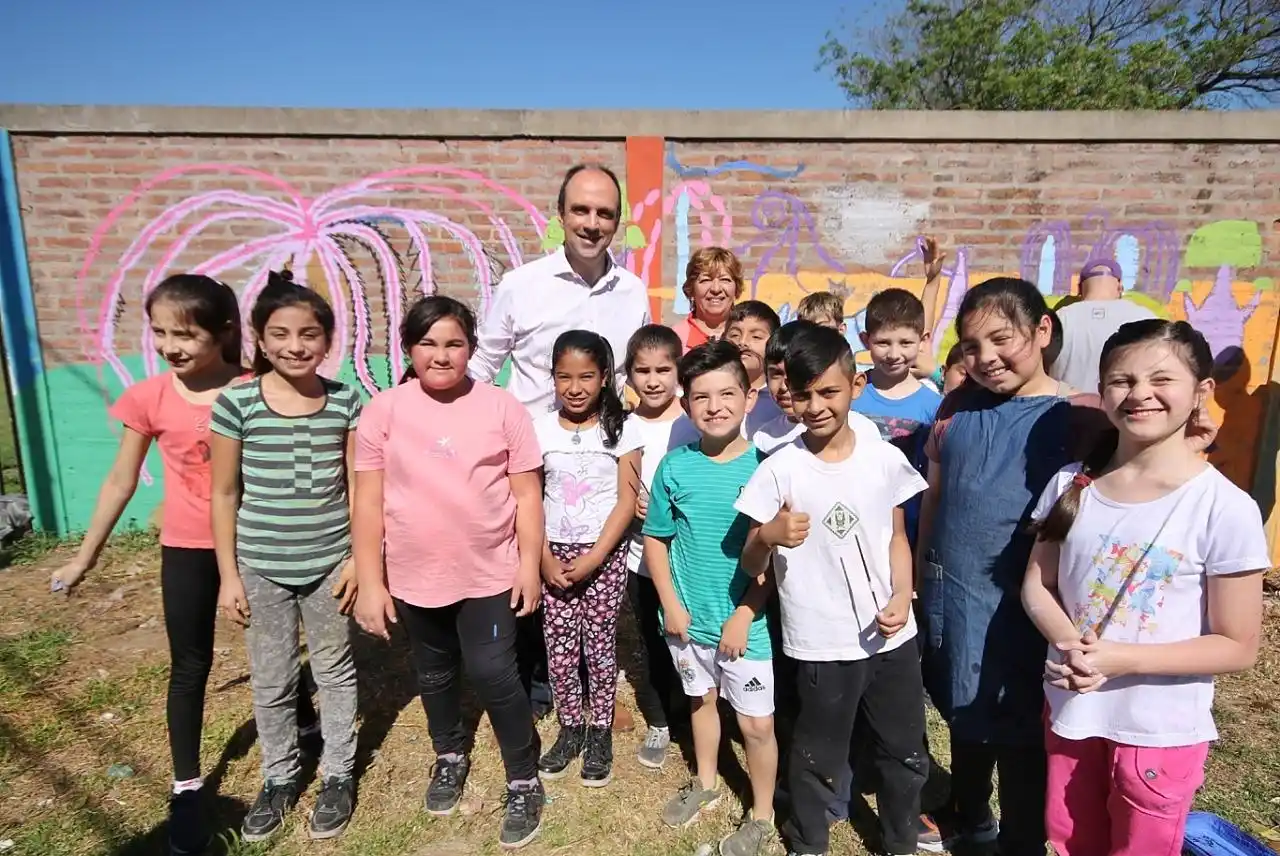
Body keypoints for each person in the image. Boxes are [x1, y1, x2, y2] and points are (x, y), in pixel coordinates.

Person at [47, 275, 310, 855]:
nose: (172, 345)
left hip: (259, 543)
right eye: (161, 332)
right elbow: (120, 480)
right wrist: (86, 554)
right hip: (188, 548)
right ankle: (188, 786)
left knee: (275, 650)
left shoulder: (258, 388)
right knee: (189, 664)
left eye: (185, 333)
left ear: (221, 332)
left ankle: (298, 735)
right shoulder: (149, 398)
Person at [1022, 319, 1267, 856]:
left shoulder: (1224, 508)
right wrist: (1070, 644)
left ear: (1201, 391)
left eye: (1161, 379)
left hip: (1159, 732)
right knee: (1068, 840)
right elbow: (1038, 584)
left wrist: (1120, 659)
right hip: (1070, 711)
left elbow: (1237, 645)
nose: (1139, 394)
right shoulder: (1071, 484)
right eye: (1121, 380)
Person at [914, 277, 1104, 855]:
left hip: (1035, 604)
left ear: (1042, 330)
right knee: (965, 706)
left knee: (1023, 725)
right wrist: (925, 574)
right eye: (971, 346)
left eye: (1002, 339)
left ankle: (1023, 838)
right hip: (957, 591)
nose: (986, 358)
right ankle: (968, 812)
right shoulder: (956, 408)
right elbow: (935, 497)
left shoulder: (1081, 416)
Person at [352, 296, 546, 851]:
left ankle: (523, 776)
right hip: (415, 575)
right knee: (433, 672)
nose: (442, 355)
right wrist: (371, 579)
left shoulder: (502, 408)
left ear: (472, 348)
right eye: (428, 343)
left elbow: (527, 495)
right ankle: (449, 752)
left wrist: (527, 565)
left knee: (493, 673)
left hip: (489, 572)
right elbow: (367, 502)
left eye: (454, 343)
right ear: (409, 349)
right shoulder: (384, 411)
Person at [736, 324, 929, 856]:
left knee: (904, 751)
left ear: (856, 385)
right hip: (822, 641)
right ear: (789, 396)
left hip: (892, 638)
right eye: (804, 394)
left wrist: (900, 595)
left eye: (829, 391)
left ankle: (900, 841)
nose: (816, 405)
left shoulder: (884, 457)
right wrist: (769, 537)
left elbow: (896, 536)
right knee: (818, 755)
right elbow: (751, 560)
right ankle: (808, 842)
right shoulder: (781, 470)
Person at [468, 163, 650, 721]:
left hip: (595, 462)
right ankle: (527, 680)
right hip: (527, 458)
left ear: (617, 222)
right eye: (581, 210)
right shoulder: (522, 285)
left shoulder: (632, 290)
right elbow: (482, 364)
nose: (592, 223)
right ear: (561, 216)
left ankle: (573, 681)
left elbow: (631, 378)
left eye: (604, 214)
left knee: (590, 568)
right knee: (526, 564)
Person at [209, 272, 360, 842]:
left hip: (330, 562)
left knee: (336, 670)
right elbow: (224, 493)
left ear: (327, 340)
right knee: (272, 678)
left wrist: (358, 561)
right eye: (281, 334)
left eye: (309, 334)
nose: (296, 346)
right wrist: (228, 575)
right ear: (260, 338)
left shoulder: (345, 400)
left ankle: (339, 774)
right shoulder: (238, 402)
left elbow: (357, 486)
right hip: (260, 565)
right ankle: (279, 777)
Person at [643, 341, 779, 856]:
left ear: (749, 399)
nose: (715, 406)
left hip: (745, 627)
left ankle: (762, 814)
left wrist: (745, 613)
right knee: (701, 702)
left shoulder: (766, 469)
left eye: (728, 393)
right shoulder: (673, 468)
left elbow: (770, 557)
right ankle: (705, 782)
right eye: (701, 396)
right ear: (686, 405)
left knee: (755, 724)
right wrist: (670, 603)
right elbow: (656, 539)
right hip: (687, 621)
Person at [534, 331, 643, 788]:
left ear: (604, 378)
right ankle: (570, 727)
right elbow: (529, 498)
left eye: (586, 377)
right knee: (558, 650)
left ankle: (600, 729)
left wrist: (596, 557)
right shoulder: (537, 428)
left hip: (603, 555)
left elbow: (626, 500)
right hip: (552, 556)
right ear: (553, 378)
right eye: (564, 377)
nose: (574, 387)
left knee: (597, 646)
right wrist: (541, 558)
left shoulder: (622, 429)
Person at [623, 324, 699, 770]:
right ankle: (658, 720)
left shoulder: (694, 423)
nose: (653, 380)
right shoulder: (623, 426)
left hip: (691, 558)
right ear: (630, 375)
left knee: (691, 637)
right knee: (653, 639)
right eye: (643, 370)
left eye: (663, 370)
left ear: (679, 372)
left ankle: (695, 711)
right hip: (642, 558)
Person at [750, 320, 879, 455]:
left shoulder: (862, 430)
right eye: (776, 374)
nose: (784, 386)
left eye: (795, 375)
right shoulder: (764, 439)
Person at [1049, 259, 1156, 393]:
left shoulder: (1058, 319)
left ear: (1079, 288)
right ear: (1120, 287)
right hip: (1125, 409)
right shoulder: (1146, 318)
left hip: (1065, 407)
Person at [724, 300, 784, 438]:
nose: (743, 342)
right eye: (734, 335)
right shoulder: (712, 394)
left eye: (756, 337)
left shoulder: (781, 399)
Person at [672, 247, 746, 352]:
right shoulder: (676, 340)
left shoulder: (748, 336)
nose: (716, 289)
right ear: (691, 288)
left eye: (725, 279)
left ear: (736, 288)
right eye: (706, 280)